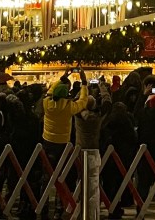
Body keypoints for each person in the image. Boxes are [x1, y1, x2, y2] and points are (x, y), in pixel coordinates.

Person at [41, 68, 89, 220]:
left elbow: (51, 90)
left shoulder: (47, 103)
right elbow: (83, 101)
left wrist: (63, 77)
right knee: (64, 176)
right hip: (63, 144)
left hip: (47, 141)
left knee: (47, 174)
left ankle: (43, 204)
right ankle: (61, 205)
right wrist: (84, 83)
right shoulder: (69, 107)